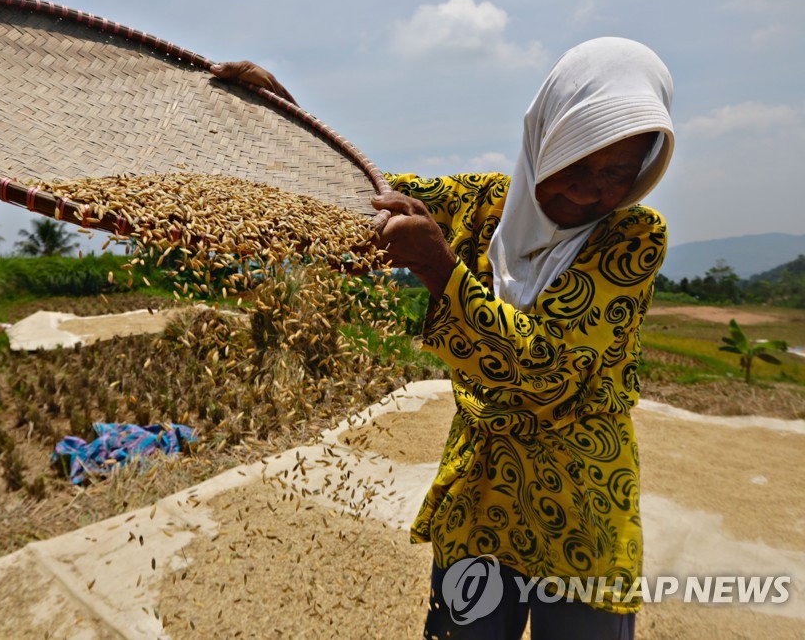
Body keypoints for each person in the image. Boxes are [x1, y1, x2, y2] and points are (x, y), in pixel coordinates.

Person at [212, 37, 674, 640]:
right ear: (542, 143)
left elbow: (548, 373)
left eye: (616, 173)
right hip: (480, 498)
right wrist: (283, 123)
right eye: (575, 163)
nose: (590, 191)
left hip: (579, 505)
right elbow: (355, 199)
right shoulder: (482, 204)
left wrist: (439, 270)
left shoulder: (633, 234)